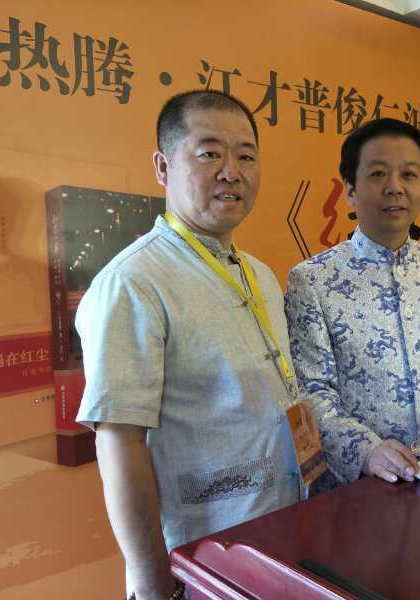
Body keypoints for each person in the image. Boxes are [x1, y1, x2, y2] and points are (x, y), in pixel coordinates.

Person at [75, 90, 303, 600]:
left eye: (246, 156)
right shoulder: (133, 283)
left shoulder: (259, 274)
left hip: (281, 531)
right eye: (209, 153)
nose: (231, 172)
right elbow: (119, 442)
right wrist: (151, 578)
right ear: (162, 167)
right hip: (203, 559)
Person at [285, 118, 420, 491]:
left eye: (409, 175)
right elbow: (310, 392)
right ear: (350, 191)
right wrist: (366, 451)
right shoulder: (312, 279)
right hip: (365, 484)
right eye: (378, 174)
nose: (395, 188)